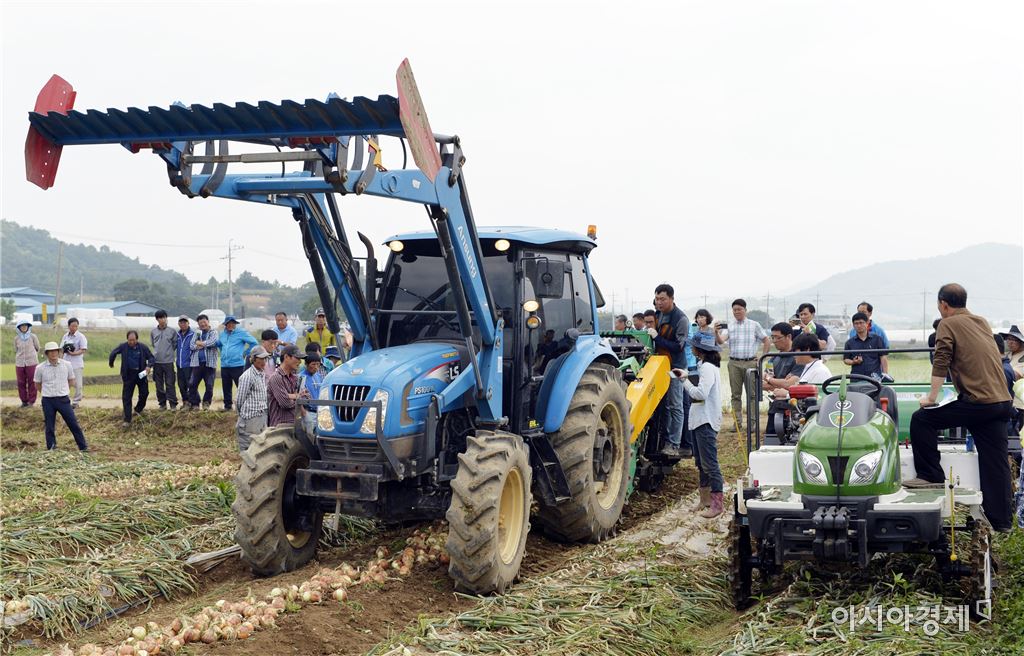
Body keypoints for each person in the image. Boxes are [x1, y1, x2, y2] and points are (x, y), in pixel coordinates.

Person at [905, 284, 1013, 533]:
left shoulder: (947, 323)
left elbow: (941, 359)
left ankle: (931, 474)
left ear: (943, 304)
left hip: (977, 403)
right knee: (995, 463)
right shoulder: (981, 321)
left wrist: (931, 397)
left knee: (922, 419)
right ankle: (1001, 522)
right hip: (1001, 402)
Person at [675, 331, 724, 518]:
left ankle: (717, 505)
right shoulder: (704, 366)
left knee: (710, 464)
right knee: (701, 463)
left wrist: (684, 382)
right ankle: (704, 501)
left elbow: (700, 394)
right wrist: (686, 375)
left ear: (698, 350)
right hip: (698, 420)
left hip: (705, 421)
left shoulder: (708, 369)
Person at [651, 284, 692, 457]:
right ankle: (662, 441)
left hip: (675, 367)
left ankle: (674, 444)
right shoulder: (658, 315)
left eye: (663, 299)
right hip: (659, 365)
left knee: (675, 406)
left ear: (672, 299)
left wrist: (657, 338)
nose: (659, 303)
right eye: (657, 299)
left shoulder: (680, 319)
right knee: (663, 406)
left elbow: (678, 347)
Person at [716, 299, 769, 431]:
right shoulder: (730, 326)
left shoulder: (754, 325)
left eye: (739, 309)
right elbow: (721, 341)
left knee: (752, 394)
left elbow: (766, 340)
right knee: (735, 395)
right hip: (734, 363)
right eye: (734, 310)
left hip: (751, 362)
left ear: (745, 310)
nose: (737, 312)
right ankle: (737, 424)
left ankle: (752, 424)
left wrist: (762, 357)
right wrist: (715, 332)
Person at [35, 342, 88, 451]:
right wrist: (46, 392)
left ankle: (83, 447)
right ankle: (51, 448)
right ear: (47, 354)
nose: (53, 354)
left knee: (73, 423)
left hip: (63, 399)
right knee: (49, 426)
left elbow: (71, 381)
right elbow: (37, 384)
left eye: (55, 351)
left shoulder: (67, 365)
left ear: (59, 352)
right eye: (51, 352)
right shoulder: (40, 368)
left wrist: (63, 390)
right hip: (48, 400)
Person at [109, 330, 155, 426]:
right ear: (127, 340)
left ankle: (138, 409)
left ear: (137, 339)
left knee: (144, 393)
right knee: (126, 397)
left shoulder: (143, 347)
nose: (131, 342)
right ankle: (127, 419)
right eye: (130, 340)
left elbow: (151, 358)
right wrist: (111, 362)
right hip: (128, 374)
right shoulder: (123, 346)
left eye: (133, 340)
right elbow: (113, 352)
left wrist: (149, 366)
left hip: (141, 374)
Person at [235, 346, 272, 452]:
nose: (264, 361)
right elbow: (239, 400)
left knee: (260, 448)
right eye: (261, 358)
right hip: (251, 417)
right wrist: (244, 415)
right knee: (249, 448)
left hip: (262, 415)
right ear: (254, 359)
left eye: (265, 358)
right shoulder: (247, 376)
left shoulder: (261, 374)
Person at [217, 316, 257, 411]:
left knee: (241, 387)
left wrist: (246, 353)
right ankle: (228, 406)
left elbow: (254, 343)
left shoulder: (241, 333)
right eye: (228, 323)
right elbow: (220, 345)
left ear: (235, 324)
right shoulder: (222, 334)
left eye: (232, 323)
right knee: (226, 387)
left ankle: (244, 406)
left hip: (237, 365)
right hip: (224, 365)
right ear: (225, 325)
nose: (230, 325)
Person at [268, 345, 308, 427]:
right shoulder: (276, 377)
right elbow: (285, 403)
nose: (300, 362)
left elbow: (306, 398)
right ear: (286, 357)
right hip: (281, 425)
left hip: (295, 423)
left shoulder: (296, 377)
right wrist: (297, 396)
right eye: (297, 358)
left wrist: (292, 396)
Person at [843, 312, 889, 380]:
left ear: (867, 323)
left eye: (861, 323)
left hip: (875, 378)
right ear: (853, 325)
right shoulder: (849, 343)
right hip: (856, 378)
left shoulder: (877, 339)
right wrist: (853, 362)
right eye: (856, 323)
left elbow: (883, 358)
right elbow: (845, 359)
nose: (859, 325)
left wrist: (885, 375)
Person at [188, 314, 219, 410]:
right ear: (198, 324)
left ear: (208, 322)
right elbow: (191, 345)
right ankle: (195, 404)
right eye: (200, 323)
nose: (202, 324)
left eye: (204, 322)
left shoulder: (214, 332)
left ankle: (206, 403)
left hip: (210, 363)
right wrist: (202, 344)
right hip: (196, 363)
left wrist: (200, 343)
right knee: (192, 384)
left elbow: (212, 342)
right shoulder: (197, 333)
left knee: (209, 385)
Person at [150, 310, 179, 409]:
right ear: (157, 319)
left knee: (170, 383)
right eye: (160, 318)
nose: (162, 320)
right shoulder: (153, 332)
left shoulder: (172, 331)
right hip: (157, 362)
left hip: (169, 362)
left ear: (166, 318)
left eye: (164, 317)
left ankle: (173, 404)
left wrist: (168, 353)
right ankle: (162, 404)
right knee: (159, 385)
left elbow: (175, 345)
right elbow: (154, 345)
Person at [60, 317, 88, 407]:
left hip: (76, 363)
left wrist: (74, 353)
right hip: (66, 362)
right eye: (72, 326)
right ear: (68, 326)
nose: (74, 328)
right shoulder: (65, 336)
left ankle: (76, 401)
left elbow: (83, 349)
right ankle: (65, 400)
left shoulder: (81, 336)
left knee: (78, 384)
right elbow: (61, 349)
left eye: (76, 326)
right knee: (65, 382)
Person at [14, 319, 41, 407]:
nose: (24, 327)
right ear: (19, 328)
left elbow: (37, 348)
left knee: (32, 382)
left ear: (28, 327)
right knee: (20, 382)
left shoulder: (33, 337)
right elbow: (16, 350)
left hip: (32, 362)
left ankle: (31, 401)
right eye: (22, 326)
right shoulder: (16, 338)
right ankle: (24, 401)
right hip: (20, 363)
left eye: (25, 326)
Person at [298, 352, 325, 434]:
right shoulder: (301, 377)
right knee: (309, 436)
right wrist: (303, 412)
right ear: (306, 364)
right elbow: (298, 396)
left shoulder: (319, 376)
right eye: (313, 364)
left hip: (319, 412)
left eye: (318, 364)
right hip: (308, 411)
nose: (316, 367)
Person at [174, 316, 194, 409]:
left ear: (188, 323)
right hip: (179, 364)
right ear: (178, 324)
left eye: (185, 322)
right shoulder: (177, 335)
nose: (183, 324)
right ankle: (185, 402)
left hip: (189, 364)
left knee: (189, 384)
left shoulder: (193, 334)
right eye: (181, 322)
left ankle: (191, 402)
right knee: (181, 385)